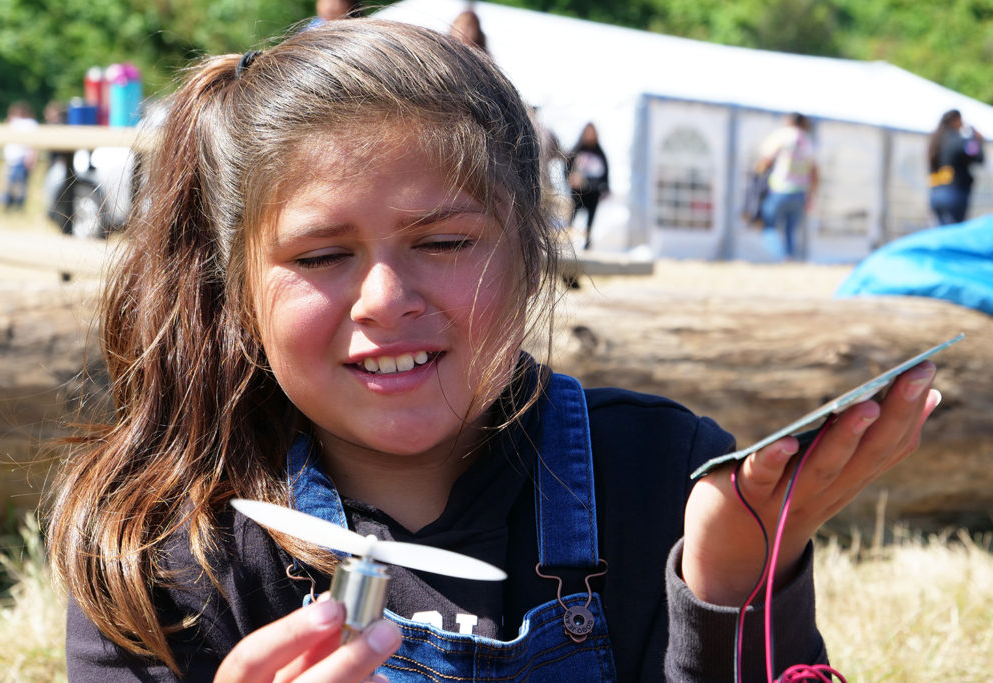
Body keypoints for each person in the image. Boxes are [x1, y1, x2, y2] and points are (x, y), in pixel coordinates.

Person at [47, 19, 942, 682]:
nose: (387, 299)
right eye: (322, 257)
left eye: (444, 243)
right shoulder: (161, 549)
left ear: (531, 254)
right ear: (236, 287)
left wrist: (733, 590)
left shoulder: (665, 477)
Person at [756, 113, 819, 260]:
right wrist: (812, 194)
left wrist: (757, 176)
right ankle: (790, 257)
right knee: (790, 230)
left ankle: (781, 257)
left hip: (780, 189)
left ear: (789, 121)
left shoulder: (783, 135)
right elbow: (814, 170)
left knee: (769, 225)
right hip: (800, 192)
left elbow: (766, 159)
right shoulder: (808, 140)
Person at [928, 109, 985, 226]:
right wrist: (977, 140)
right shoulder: (959, 142)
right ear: (955, 120)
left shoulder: (936, 142)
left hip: (936, 193)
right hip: (954, 194)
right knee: (953, 232)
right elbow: (978, 157)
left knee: (943, 231)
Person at [565, 122, 609, 250]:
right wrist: (570, 179)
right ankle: (567, 241)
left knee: (590, 221)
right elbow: (567, 166)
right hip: (578, 192)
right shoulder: (577, 150)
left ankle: (587, 243)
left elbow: (605, 173)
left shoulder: (600, 153)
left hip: (593, 193)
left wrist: (605, 188)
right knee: (572, 217)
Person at [2, 101, 38, 211]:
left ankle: (17, 206)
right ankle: (10, 205)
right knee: (10, 184)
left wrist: (32, 156)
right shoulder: (15, 122)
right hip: (12, 159)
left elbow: (33, 143)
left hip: (22, 158)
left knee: (19, 185)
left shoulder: (28, 123)